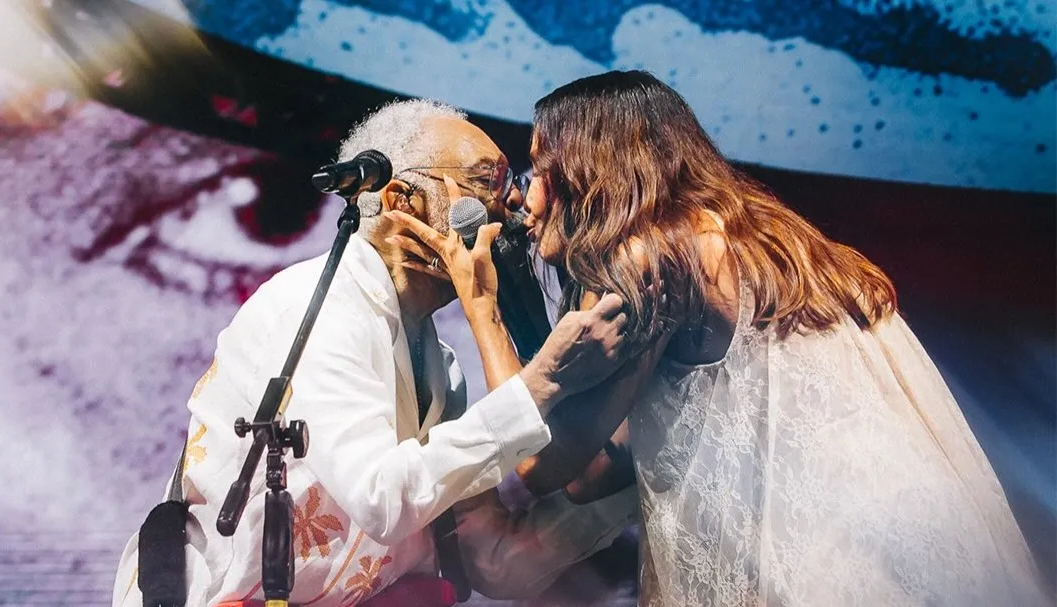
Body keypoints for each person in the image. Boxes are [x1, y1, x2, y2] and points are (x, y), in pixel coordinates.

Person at [386, 71, 1051, 606]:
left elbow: (541, 462)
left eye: (539, 171)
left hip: (826, 568)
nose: (525, 201)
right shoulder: (750, 235)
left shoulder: (656, 257)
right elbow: (602, 469)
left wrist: (484, 308)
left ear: (589, 169)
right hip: (906, 548)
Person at [112, 99, 641, 606]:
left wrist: (642, 482)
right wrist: (541, 381)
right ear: (399, 201)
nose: (516, 203)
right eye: (487, 182)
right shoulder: (314, 310)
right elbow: (383, 499)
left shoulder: (439, 367)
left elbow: (493, 559)